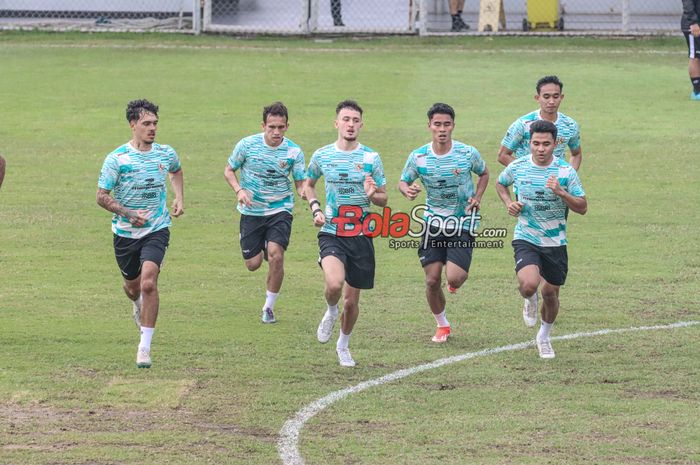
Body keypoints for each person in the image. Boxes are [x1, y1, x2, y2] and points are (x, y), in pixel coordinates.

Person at [96, 99, 184, 369]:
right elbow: (101, 197)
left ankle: (144, 347)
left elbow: (176, 170)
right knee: (133, 287)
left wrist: (179, 196)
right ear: (133, 125)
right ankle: (136, 302)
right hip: (125, 232)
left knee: (149, 283)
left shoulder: (165, 153)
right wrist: (127, 213)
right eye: (146, 123)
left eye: (155, 123)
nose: (152, 128)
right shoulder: (117, 159)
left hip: (156, 228)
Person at [305, 100, 387, 367]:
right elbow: (308, 185)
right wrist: (316, 208)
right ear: (336, 123)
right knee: (334, 284)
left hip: (361, 237)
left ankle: (343, 346)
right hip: (332, 232)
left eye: (355, 120)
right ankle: (330, 311)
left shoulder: (371, 158)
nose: (350, 124)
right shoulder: (322, 155)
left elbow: (384, 199)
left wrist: (373, 194)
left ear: (361, 125)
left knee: (352, 302)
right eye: (346, 119)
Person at [495, 120, 587, 359]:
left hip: (555, 242)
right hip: (526, 236)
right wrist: (509, 203)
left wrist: (561, 192)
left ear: (555, 144)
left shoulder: (566, 172)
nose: (540, 148)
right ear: (530, 143)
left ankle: (544, 336)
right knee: (528, 284)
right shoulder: (518, 166)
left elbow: (583, 207)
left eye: (546, 144)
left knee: (551, 294)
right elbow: (500, 184)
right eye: (536, 143)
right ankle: (529, 297)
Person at [399, 103, 489, 343]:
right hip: (432, 223)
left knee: (455, 278)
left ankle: (453, 281)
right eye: (437, 124)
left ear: (453, 126)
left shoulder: (467, 153)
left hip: (462, 223)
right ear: (429, 126)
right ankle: (443, 325)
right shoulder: (418, 157)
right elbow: (403, 181)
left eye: (446, 124)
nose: (442, 129)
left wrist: (477, 197)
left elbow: (484, 173)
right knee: (431, 280)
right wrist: (408, 190)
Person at [224, 102, 306, 324]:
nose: (276, 132)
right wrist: (239, 190)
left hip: (280, 209)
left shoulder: (293, 151)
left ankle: (268, 308)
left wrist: (305, 193)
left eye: (281, 127)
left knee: (276, 254)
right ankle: (260, 244)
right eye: (272, 127)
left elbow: (300, 183)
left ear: (287, 126)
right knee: (253, 264)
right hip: (252, 211)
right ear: (263, 126)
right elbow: (229, 170)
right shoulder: (247, 145)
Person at [497, 76, 582, 171]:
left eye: (555, 96)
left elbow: (576, 154)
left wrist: (568, 176)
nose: (551, 101)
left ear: (561, 97)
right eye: (546, 97)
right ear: (537, 98)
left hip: (555, 184)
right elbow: (503, 155)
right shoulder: (523, 124)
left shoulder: (570, 125)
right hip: (528, 184)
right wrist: (526, 173)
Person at [682, 0, 700, 100]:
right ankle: (697, 91)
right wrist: (693, 22)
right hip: (694, 25)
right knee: (695, 56)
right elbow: (687, 3)